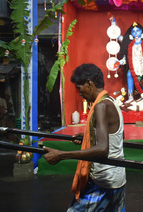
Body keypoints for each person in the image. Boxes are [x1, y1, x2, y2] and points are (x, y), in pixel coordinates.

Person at [43, 63, 126, 212]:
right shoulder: (111, 101)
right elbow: (116, 136)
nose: (79, 93)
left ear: (89, 83)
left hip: (103, 181)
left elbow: (102, 149)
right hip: (117, 178)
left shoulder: (101, 106)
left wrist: (62, 155)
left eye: (79, 88)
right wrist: (89, 135)